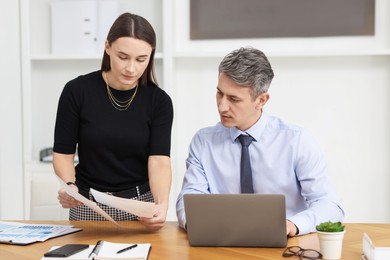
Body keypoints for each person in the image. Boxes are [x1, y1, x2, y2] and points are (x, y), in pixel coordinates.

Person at [176, 47, 344, 236]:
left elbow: (330, 204)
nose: (222, 106)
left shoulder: (296, 141)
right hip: (222, 241)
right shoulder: (203, 142)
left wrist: (292, 225)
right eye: (219, 93)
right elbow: (188, 198)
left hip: (286, 244)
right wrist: (197, 224)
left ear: (261, 100)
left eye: (233, 99)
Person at [53, 12, 173, 230]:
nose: (131, 68)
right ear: (107, 47)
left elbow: (159, 160)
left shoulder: (159, 101)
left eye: (141, 59)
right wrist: (69, 186)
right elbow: (63, 153)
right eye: (123, 56)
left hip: (139, 207)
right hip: (86, 205)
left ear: (151, 55)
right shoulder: (76, 91)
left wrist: (162, 204)